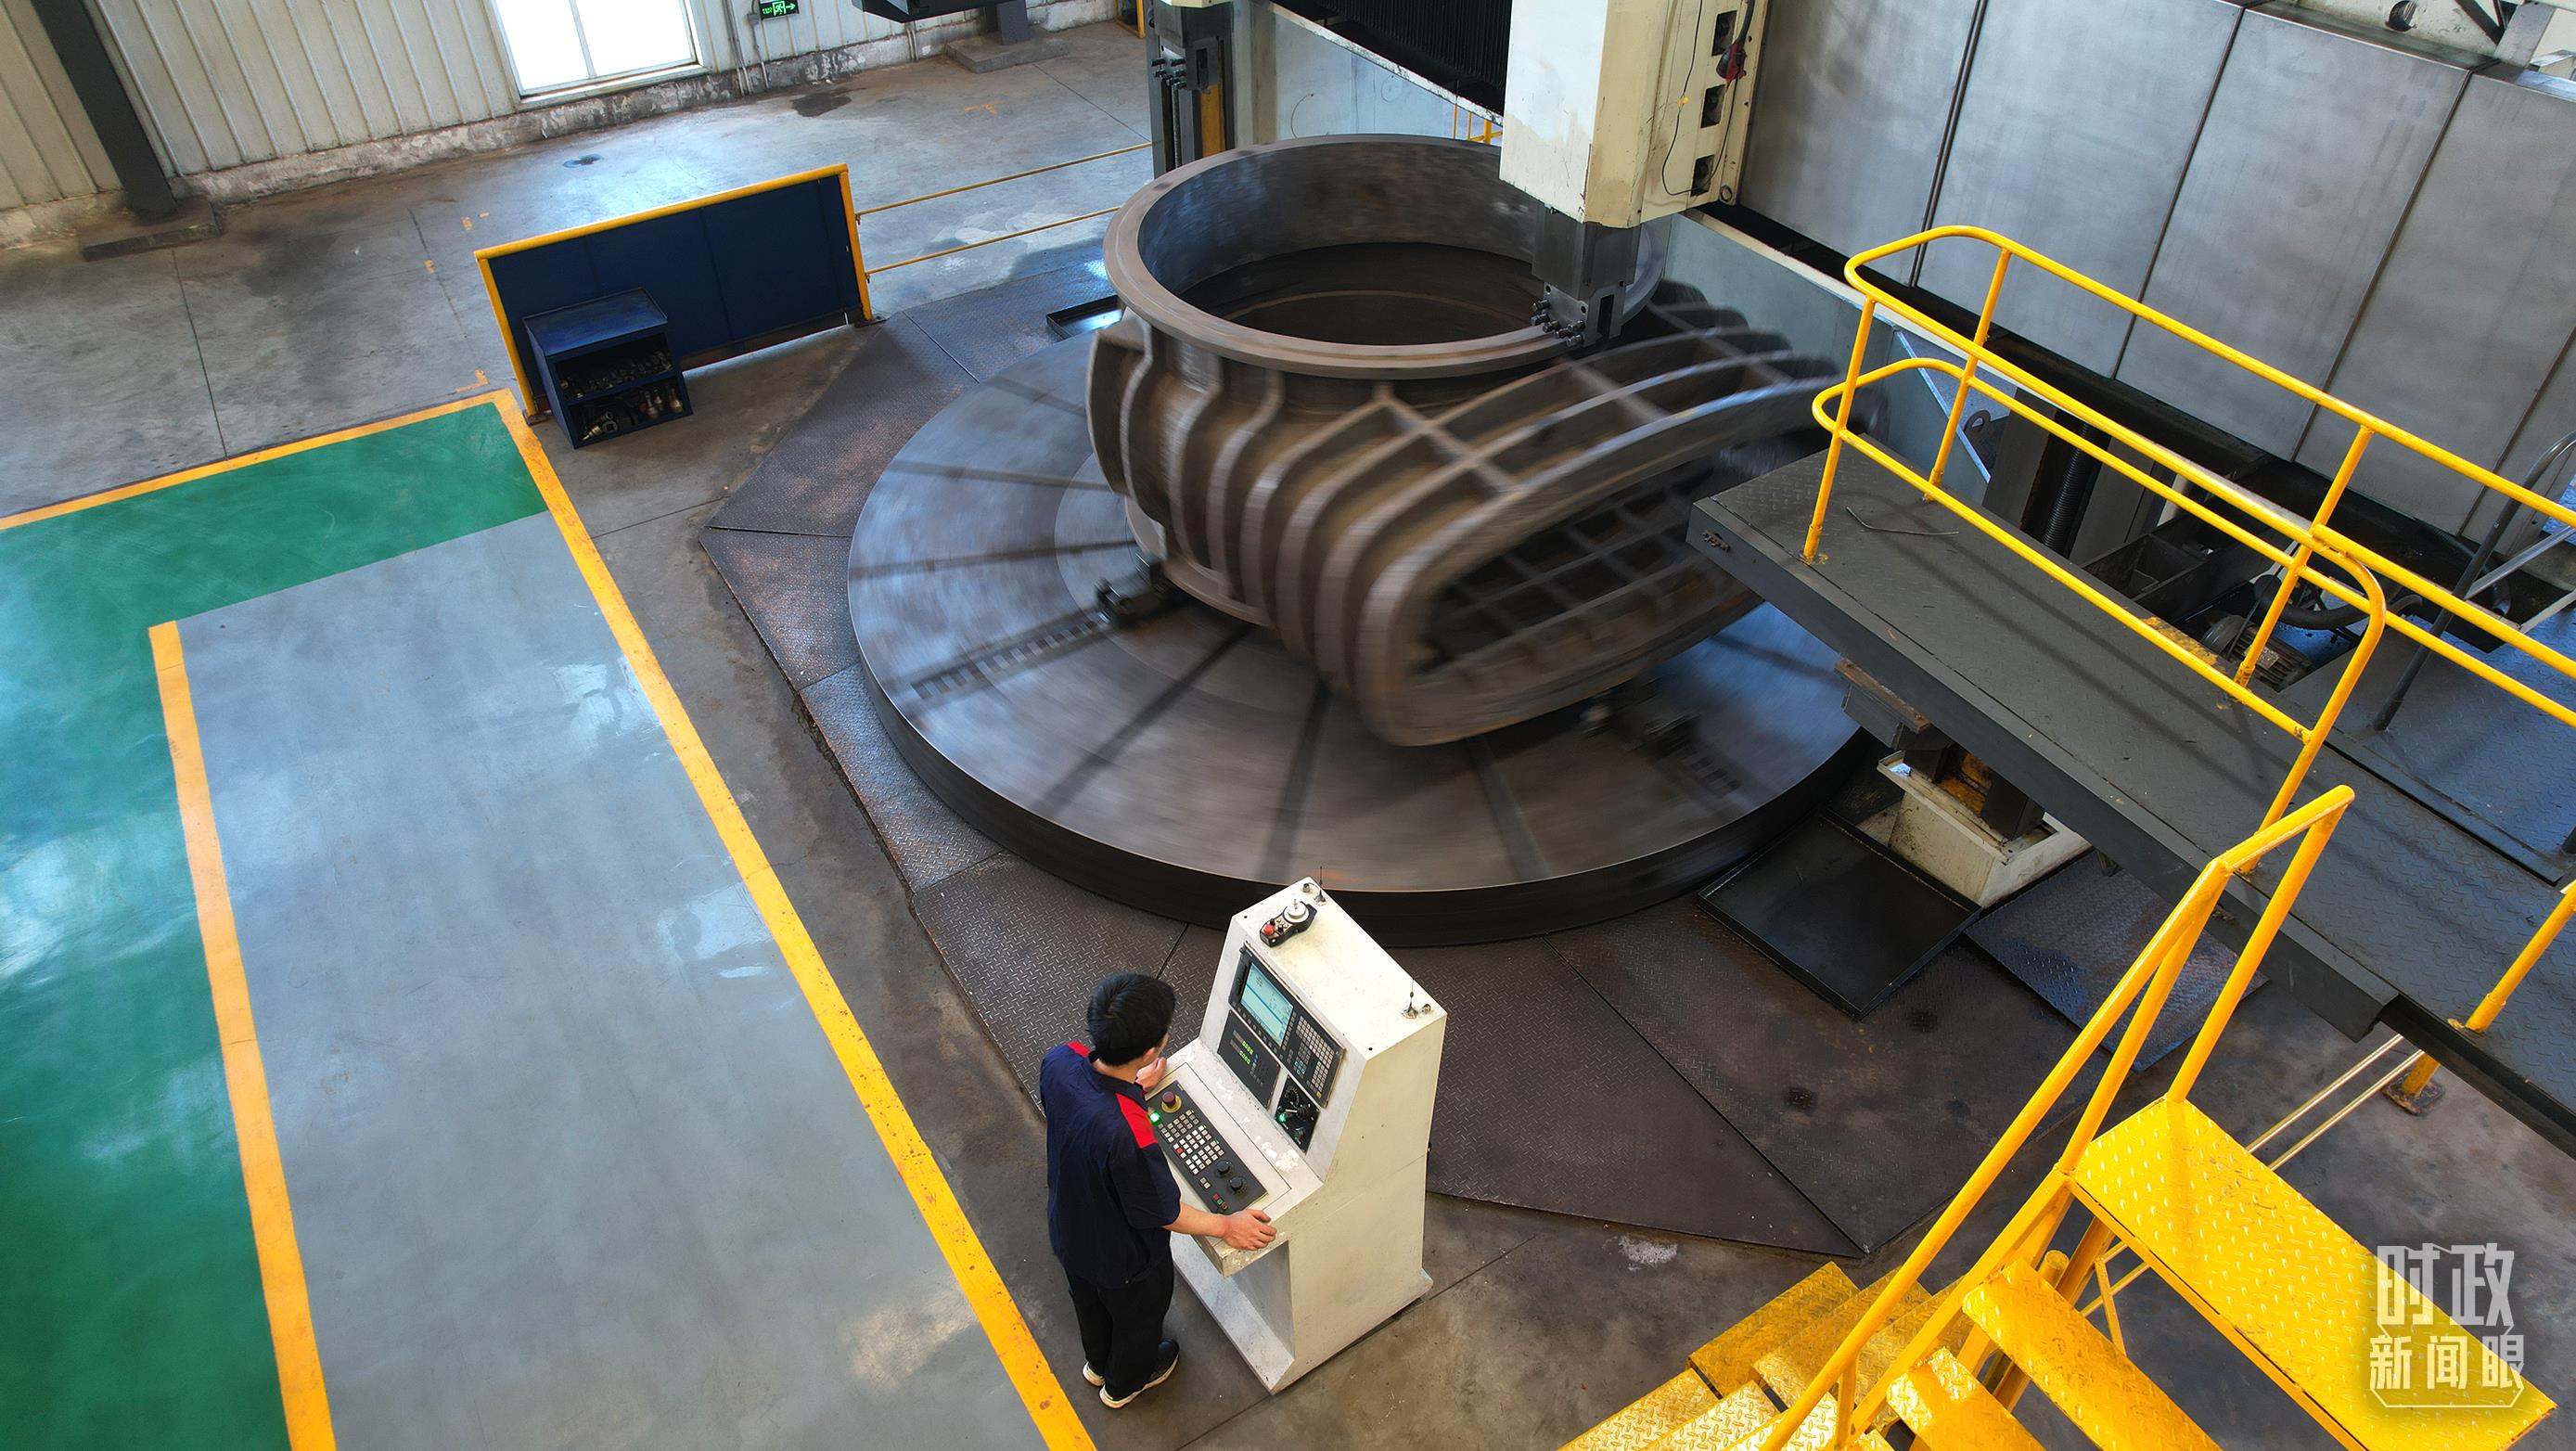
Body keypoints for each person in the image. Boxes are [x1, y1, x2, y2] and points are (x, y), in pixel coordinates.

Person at [1041, 972, 1277, 1407]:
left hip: (1069, 1230)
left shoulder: (1058, 1060)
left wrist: (1131, 1084)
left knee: (1089, 1303)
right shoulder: (1129, 1132)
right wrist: (1226, 1225)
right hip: (1125, 1262)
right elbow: (1163, 1211)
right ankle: (1124, 1383)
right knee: (1139, 1320)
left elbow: (1084, 1102)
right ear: (1152, 1049)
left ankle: (1098, 1364)